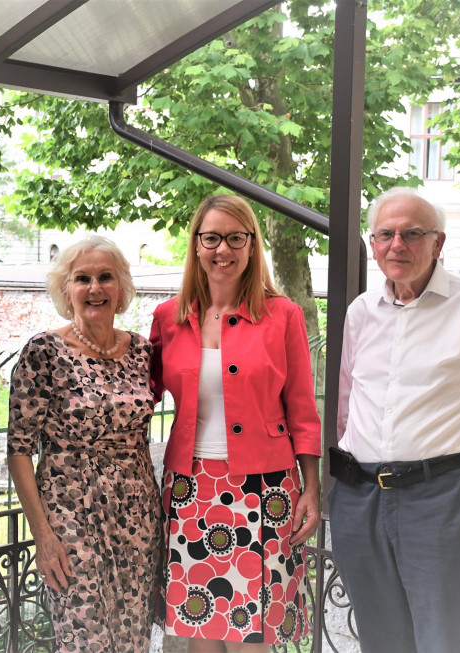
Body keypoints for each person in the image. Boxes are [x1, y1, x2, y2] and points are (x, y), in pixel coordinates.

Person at [329, 186, 460, 653]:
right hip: (360, 501)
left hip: (441, 501)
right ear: (373, 242)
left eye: (412, 234)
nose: (397, 245)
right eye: (385, 234)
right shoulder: (361, 312)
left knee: (449, 640)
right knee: (381, 640)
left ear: (437, 243)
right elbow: (344, 406)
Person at [149, 193, 322, 651]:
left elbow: (303, 408)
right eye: (211, 238)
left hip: (266, 490)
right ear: (196, 244)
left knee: (255, 636)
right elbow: (135, 396)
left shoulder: (282, 314)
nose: (222, 250)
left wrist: (312, 489)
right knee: (200, 631)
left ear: (251, 245)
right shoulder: (168, 317)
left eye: (234, 238)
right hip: (189, 489)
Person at [6, 236, 163, 652]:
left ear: (122, 289)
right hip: (72, 515)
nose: (95, 288)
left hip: (138, 515)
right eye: (83, 278)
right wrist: (42, 536)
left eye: (106, 277)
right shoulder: (44, 352)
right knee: (85, 639)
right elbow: (19, 450)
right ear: (65, 290)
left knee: (133, 638)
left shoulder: (144, 352)